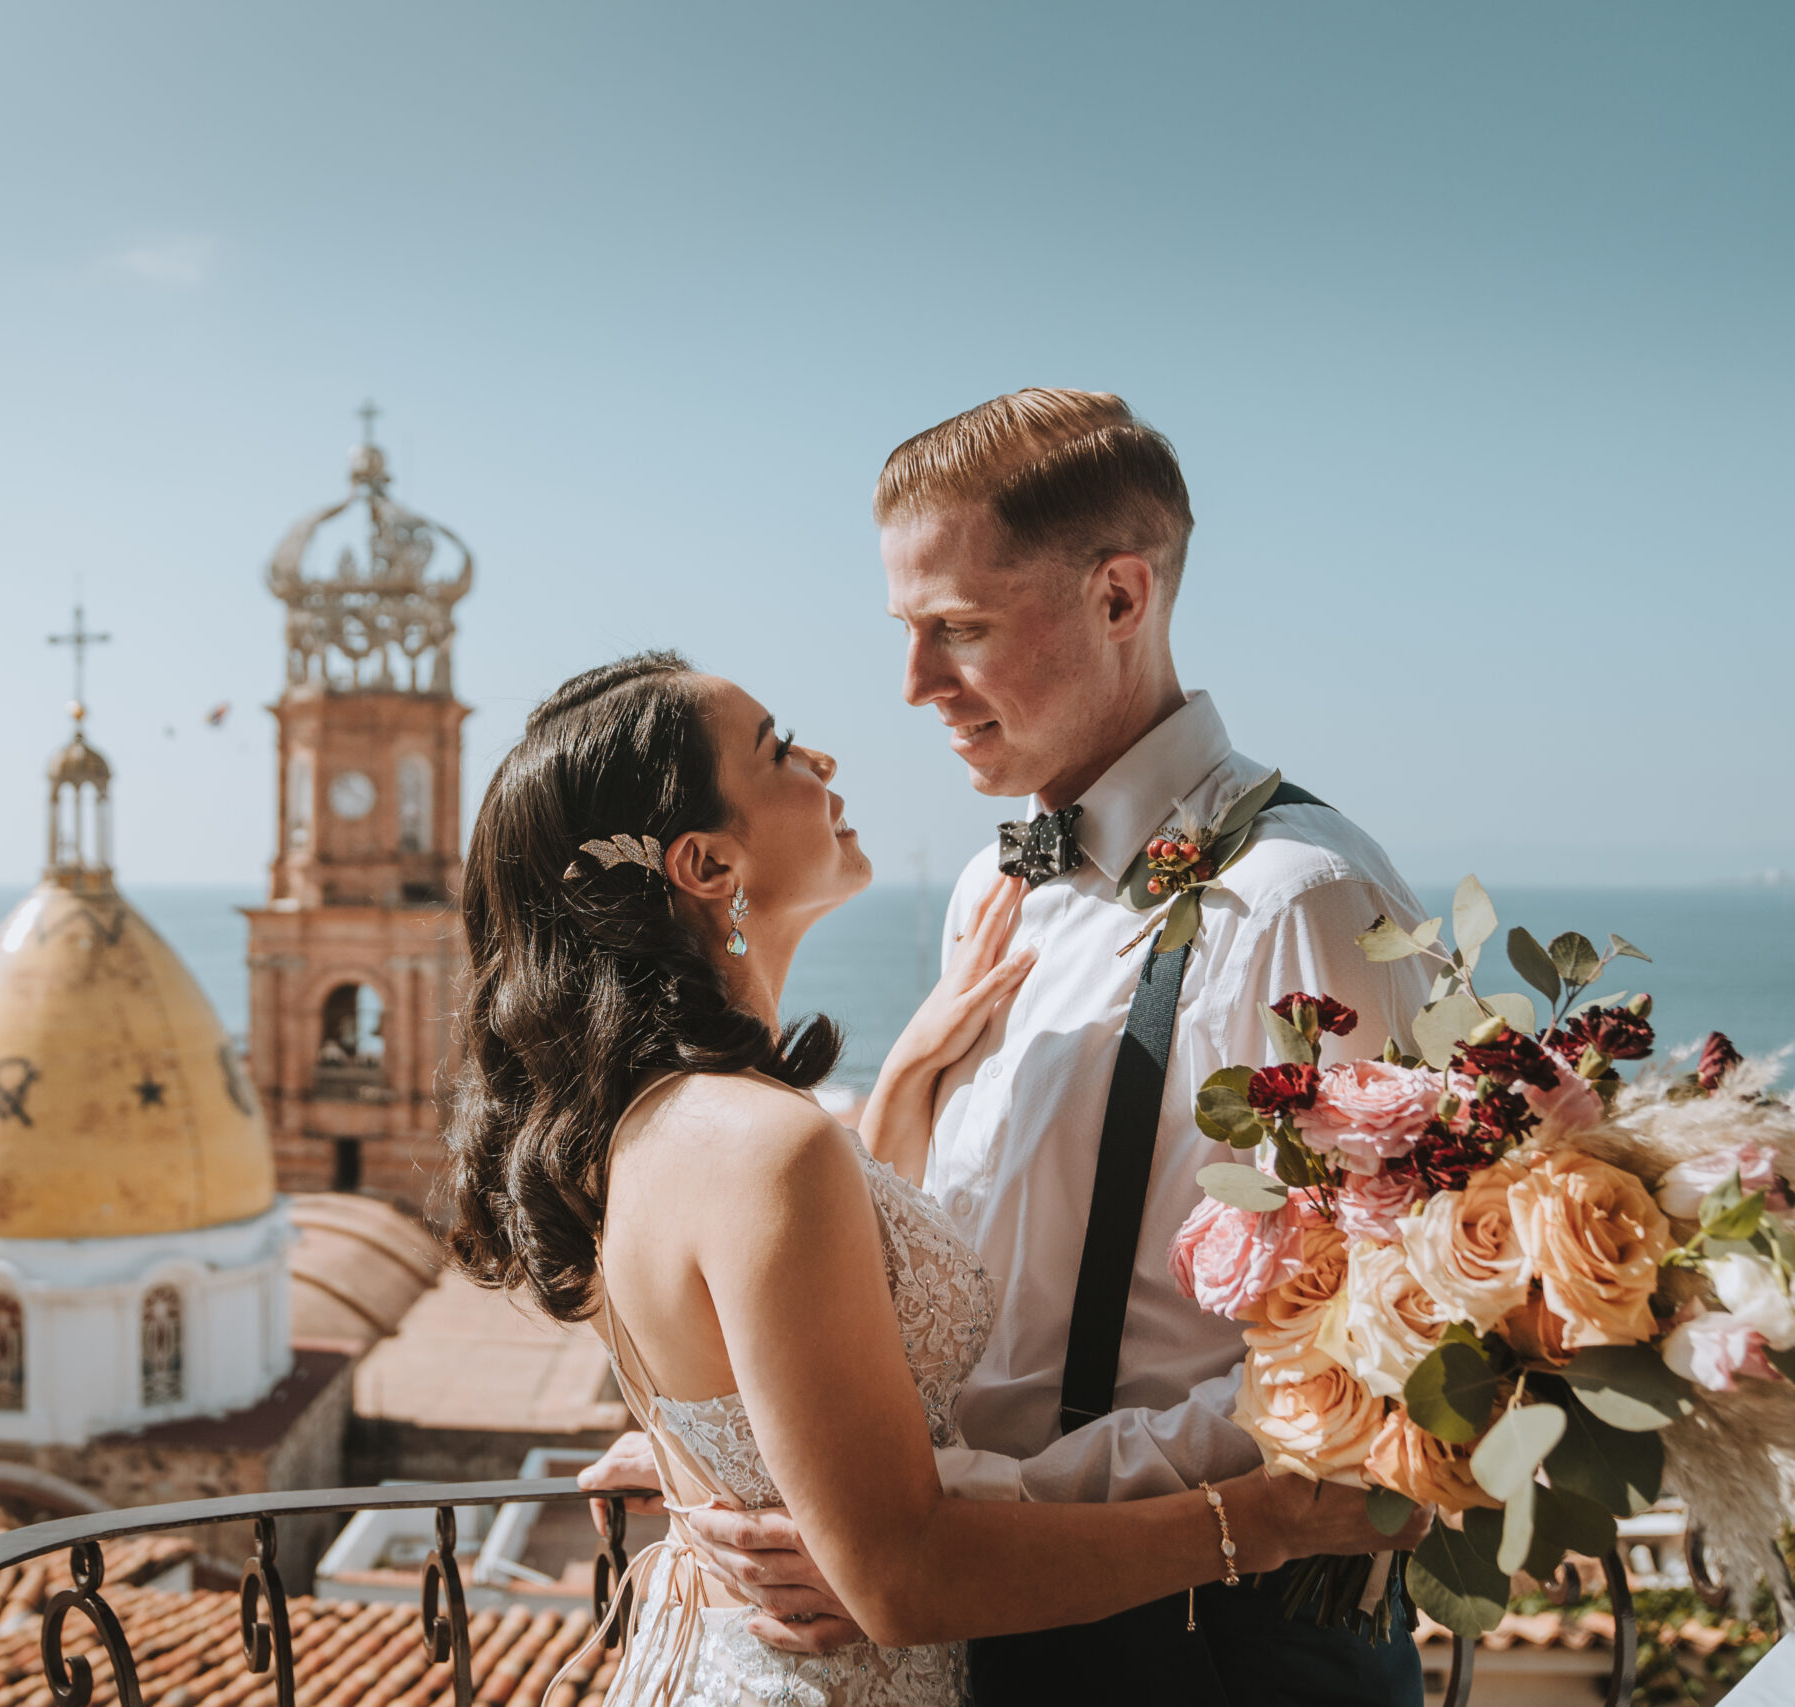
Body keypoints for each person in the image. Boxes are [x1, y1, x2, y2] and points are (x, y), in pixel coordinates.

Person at [578, 390, 1436, 1706]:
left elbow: (1365, 1352)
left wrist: (956, 1512)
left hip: (1199, 1647)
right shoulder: (999, 888)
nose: (914, 686)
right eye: (908, 631)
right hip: (976, 1619)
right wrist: (754, 1454)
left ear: (1120, 598)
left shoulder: (1298, 901)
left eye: (959, 631)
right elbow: (961, 1286)